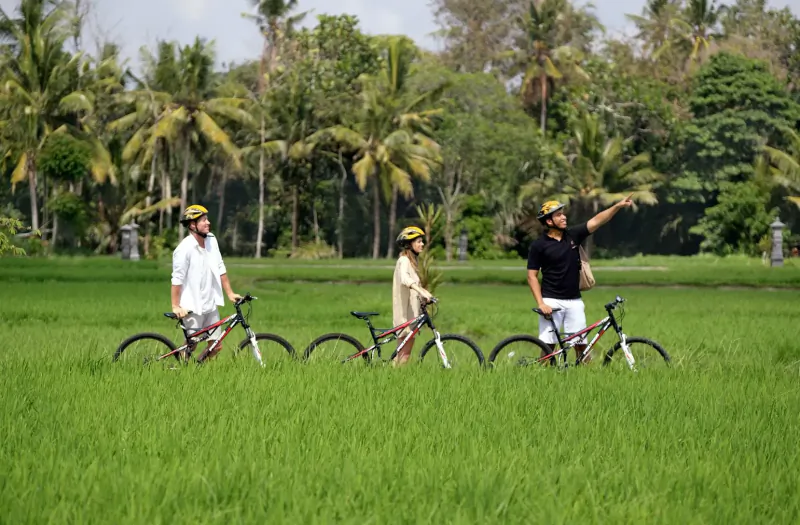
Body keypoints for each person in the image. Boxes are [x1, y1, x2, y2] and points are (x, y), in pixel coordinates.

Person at [527, 195, 634, 363]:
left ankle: (585, 379)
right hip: (551, 301)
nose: (564, 217)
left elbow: (597, 220)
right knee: (548, 347)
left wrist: (618, 206)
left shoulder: (573, 235)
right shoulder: (539, 245)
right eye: (558, 215)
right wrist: (541, 303)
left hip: (574, 301)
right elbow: (532, 276)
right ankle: (540, 376)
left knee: (581, 346)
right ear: (549, 221)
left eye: (563, 213)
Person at [171, 204, 241, 361]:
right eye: (203, 220)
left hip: (210, 303)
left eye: (207, 219)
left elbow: (220, 267)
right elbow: (177, 279)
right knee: (192, 344)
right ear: (192, 225)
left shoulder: (211, 240)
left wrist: (230, 293)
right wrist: (176, 306)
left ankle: (197, 369)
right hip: (192, 305)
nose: (208, 222)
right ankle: (179, 372)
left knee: (216, 346)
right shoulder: (184, 249)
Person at [392, 226, 434, 366]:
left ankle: (389, 379)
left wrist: (424, 298)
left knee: (403, 356)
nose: (422, 244)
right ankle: (389, 380)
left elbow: (412, 287)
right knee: (403, 356)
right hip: (404, 315)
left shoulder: (411, 263)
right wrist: (421, 290)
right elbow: (405, 280)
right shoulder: (403, 261)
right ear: (409, 244)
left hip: (411, 315)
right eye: (419, 241)